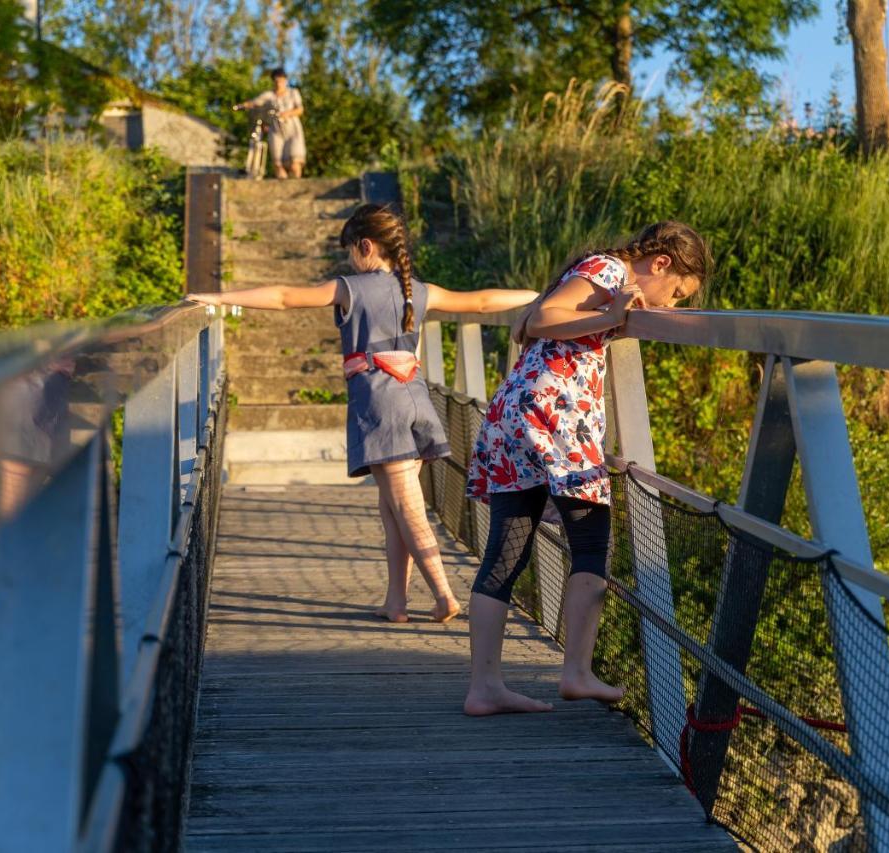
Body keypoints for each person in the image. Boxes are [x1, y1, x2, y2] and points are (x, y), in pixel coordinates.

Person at [189, 204, 538, 623]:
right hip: (413, 396)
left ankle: (444, 595)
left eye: (350, 250)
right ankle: (396, 602)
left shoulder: (349, 288)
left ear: (366, 246)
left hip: (379, 402)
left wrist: (219, 297)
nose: (348, 260)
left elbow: (283, 297)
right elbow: (482, 302)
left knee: (406, 507)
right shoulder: (419, 290)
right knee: (391, 508)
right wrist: (542, 296)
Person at [463, 221, 712, 715]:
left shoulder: (596, 270)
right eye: (678, 292)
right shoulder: (609, 270)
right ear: (660, 264)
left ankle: (484, 687)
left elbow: (543, 316)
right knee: (594, 544)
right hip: (555, 417)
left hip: (520, 414)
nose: (672, 305)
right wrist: (613, 315)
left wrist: (608, 316)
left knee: (506, 552)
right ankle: (575, 672)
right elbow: (543, 319)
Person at [235, 68, 306, 179]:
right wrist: (241, 106)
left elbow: (300, 109)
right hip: (276, 129)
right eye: (276, 80)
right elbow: (255, 103)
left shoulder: (293, 93)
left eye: (281, 80)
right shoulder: (269, 95)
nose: (279, 83)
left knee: (295, 162)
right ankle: (283, 187)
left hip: (292, 129)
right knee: (278, 163)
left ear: (285, 80)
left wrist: (287, 114)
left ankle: (296, 186)